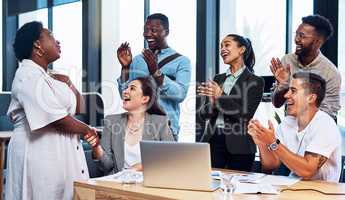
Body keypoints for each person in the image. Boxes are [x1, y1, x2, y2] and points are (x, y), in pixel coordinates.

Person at [5, 21, 98, 200]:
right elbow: (57, 119)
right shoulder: (27, 76)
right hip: (38, 151)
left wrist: (69, 81)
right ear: (37, 45)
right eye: (51, 36)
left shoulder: (48, 77)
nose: (58, 41)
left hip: (59, 152)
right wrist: (86, 129)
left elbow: (80, 106)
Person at [248, 72, 341, 182]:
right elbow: (272, 164)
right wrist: (262, 142)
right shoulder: (287, 123)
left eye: (293, 91)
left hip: (323, 194)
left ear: (311, 98)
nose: (286, 95)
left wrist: (273, 143)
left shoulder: (325, 124)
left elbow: (308, 171)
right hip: (293, 188)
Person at [116, 13, 191, 140]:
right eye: (146, 30)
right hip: (136, 128)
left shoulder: (182, 61)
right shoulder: (138, 60)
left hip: (165, 129)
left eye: (153, 30)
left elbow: (180, 95)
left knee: (165, 161)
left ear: (166, 32)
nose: (148, 34)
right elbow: (126, 95)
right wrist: (126, 68)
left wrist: (156, 73)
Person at [197, 34, 264, 171]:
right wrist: (213, 104)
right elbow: (203, 115)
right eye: (221, 46)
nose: (222, 49)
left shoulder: (255, 81)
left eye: (227, 45)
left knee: (238, 189)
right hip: (213, 140)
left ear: (241, 50)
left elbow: (245, 115)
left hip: (240, 145)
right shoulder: (218, 78)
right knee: (210, 186)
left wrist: (220, 96)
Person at [86, 77, 174, 174]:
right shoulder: (111, 121)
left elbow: (171, 158)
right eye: (126, 88)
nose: (125, 91)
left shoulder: (160, 123)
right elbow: (106, 166)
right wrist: (96, 147)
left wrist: (139, 167)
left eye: (132, 88)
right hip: (119, 184)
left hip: (149, 184)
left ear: (144, 99)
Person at [270, 14, 341, 120]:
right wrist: (283, 85)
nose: (296, 40)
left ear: (318, 42)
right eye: (297, 34)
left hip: (317, 132)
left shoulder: (330, 73)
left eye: (302, 36)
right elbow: (277, 103)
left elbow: (328, 116)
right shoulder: (287, 61)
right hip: (290, 128)